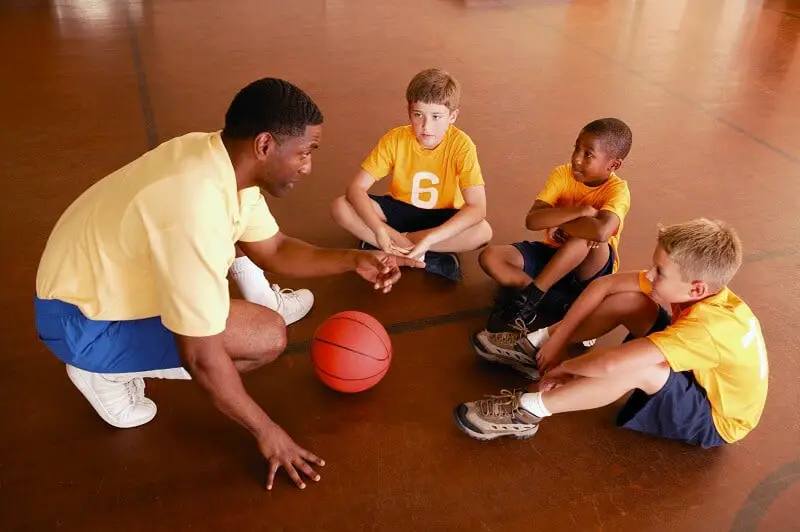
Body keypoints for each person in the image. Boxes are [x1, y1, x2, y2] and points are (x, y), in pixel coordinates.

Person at [34, 78, 423, 491]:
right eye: (304, 153)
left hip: (92, 283)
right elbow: (201, 357)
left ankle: (127, 354)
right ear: (265, 145)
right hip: (79, 322)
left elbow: (273, 248)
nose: (308, 166)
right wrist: (268, 433)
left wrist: (353, 260)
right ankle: (103, 373)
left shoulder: (221, 161)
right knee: (261, 339)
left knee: (255, 322)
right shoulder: (193, 209)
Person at [455, 219, 769, 448]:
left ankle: (528, 411)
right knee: (632, 300)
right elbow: (605, 284)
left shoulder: (707, 328)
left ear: (696, 287)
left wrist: (563, 369)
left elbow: (610, 365)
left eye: (660, 272)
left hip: (713, 418)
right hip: (698, 373)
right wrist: (556, 341)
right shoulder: (702, 293)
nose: (649, 274)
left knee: (638, 367)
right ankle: (533, 346)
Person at [330, 68, 492, 282]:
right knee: (340, 206)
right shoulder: (395, 139)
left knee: (483, 232)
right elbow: (355, 188)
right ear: (409, 111)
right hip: (399, 209)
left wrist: (431, 236)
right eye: (418, 115)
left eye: (436, 117)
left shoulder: (462, 145)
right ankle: (421, 256)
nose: (426, 126)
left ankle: (389, 248)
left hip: (441, 216)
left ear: (452, 116)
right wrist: (378, 228)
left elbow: (478, 207)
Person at [478, 118, 632, 333]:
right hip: (554, 255)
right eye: (576, 149)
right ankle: (559, 303)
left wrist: (560, 224)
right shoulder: (562, 174)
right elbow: (532, 220)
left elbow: (601, 231)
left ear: (613, 165)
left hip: (590, 268)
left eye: (588, 154)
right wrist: (580, 211)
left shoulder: (618, 190)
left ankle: (531, 298)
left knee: (584, 238)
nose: (577, 159)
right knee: (491, 257)